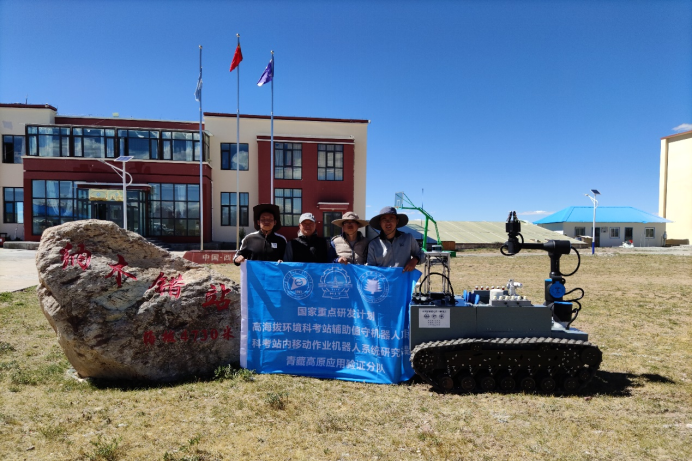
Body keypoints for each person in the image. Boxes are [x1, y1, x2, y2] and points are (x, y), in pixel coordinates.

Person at [367, 206, 424, 272]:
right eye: (384, 219)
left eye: (391, 219)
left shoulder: (408, 238)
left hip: (403, 278)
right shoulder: (373, 244)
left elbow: (422, 255)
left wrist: (415, 259)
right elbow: (370, 268)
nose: (388, 222)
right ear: (380, 223)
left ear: (397, 221)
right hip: (383, 278)